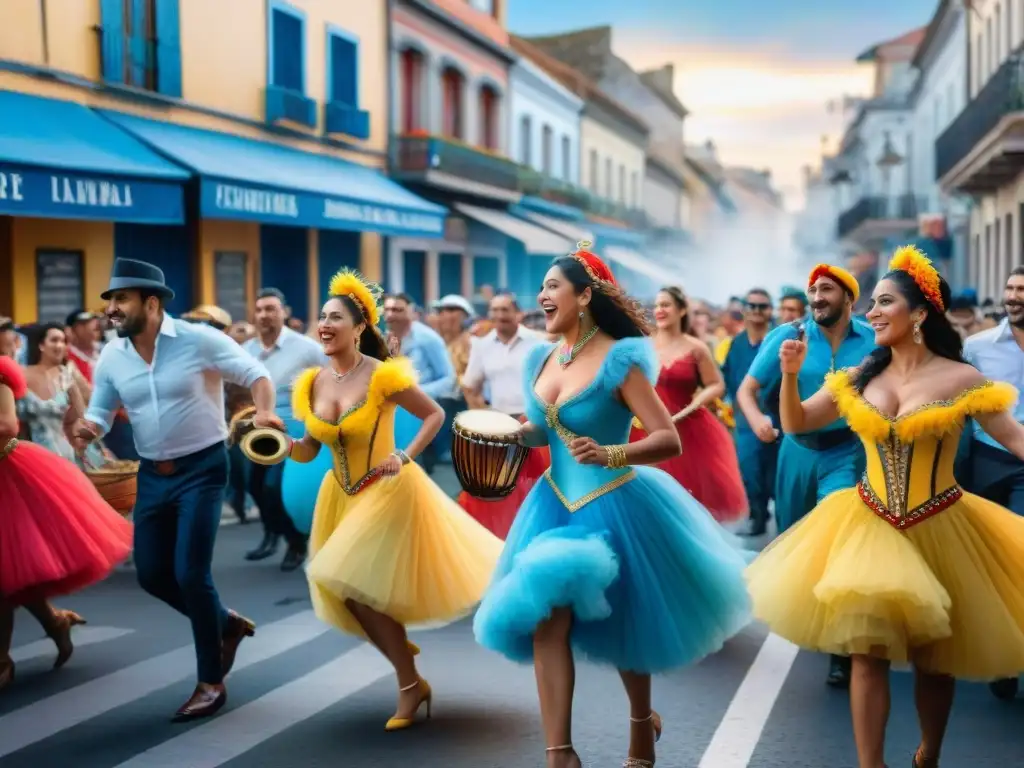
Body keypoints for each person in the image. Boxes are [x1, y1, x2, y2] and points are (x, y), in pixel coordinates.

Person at [473, 246, 752, 768]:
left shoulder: (622, 360)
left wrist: (611, 452)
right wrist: (511, 434)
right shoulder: (542, 357)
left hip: (614, 502)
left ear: (583, 296)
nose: (542, 296)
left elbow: (668, 439)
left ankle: (641, 723)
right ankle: (560, 754)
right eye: (543, 286)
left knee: (629, 621)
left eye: (553, 286)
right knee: (547, 622)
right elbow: (545, 430)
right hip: (553, 504)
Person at [746, 246, 1024, 768]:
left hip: (942, 523)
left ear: (918, 314)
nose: (871, 312)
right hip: (869, 523)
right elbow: (800, 421)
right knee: (865, 656)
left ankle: (929, 755)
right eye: (870, 304)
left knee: (934, 660)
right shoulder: (859, 377)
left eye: (883, 302)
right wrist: (788, 375)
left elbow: (1015, 438)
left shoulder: (963, 380)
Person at [285, 269, 502, 730]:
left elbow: (435, 414)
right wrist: (278, 445)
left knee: (353, 590)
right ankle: (400, 650)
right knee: (347, 594)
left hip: (385, 492)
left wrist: (404, 456)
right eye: (321, 317)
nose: (324, 324)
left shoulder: (383, 376)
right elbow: (307, 451)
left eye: (335, 317)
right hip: (339, 497)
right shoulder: (312, 383)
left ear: (360, 327)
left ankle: (409, 683)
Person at [71, 258, 280, 723]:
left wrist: (264, 412)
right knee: (151, 573)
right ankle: (224, 623)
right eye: (110, 301)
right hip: (151, 474)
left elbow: (256, 375)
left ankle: (211, 682)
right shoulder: (112, 354)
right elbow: (103, 408)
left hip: (203, 469)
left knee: (190, 573)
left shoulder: (198, 339)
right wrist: (88, 427)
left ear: (150, 302)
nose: (113, 310)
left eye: (120, 299)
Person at [738, 265, 876, 688]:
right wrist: (759, 419)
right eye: (813, 290)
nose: (816, 297)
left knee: (839, 542)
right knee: (798, 542)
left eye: (827, 290)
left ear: (849, 298)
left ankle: (841, 650)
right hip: (797, 452)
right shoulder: (789, 336)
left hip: (849, 451)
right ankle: (811, 618)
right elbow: (747, 389)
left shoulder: (872, 340)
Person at [0, 354, 133, 691]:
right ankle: (56, 621)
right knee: (13, 573)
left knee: (6, 575)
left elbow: (7, 426)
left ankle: (2, 660)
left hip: (10, 475)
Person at [959, 266, 1024, 701]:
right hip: (988, 462)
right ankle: (1004, 654)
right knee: (994, 561)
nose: (1014, 296)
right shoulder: (978, 348)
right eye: (1011, 288)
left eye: (1022, 290)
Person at [629, 286, 747, 522]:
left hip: (687, 426)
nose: (659, 310)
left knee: (688, 499)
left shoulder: (696, 348)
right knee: (646, 494)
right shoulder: (642, 346)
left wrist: (697, 402)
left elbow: (716, 384)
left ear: (682, 310)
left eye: (666, 305)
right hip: (646, 426)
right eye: (657, 305)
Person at [242, 288, 324, 570]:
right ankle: (271, 533)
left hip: (295, 431)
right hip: (258, 432)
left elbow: (331, 380)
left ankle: (296, 542)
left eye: (271, 309)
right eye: (260, 310)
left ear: (284, 313)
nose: (265, 315)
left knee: (274, 489)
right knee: (252, 486)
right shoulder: (247, 350)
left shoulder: (306, 348)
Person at [458, 291, 546, 538]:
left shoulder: (538, 343)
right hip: (498, 429)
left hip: (532, 424)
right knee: (495, 488)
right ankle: (496, 539)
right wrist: (482, 418)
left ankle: (529, 536)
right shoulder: (482, 345)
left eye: (505, 310)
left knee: (532, 487)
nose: (499, 316)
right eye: (494, 310)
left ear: (517, 313)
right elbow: (469, 385)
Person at [722, 288, 777, 536]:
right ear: (744, 309)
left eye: (762, 306)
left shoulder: (778, 340)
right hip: (745, 419)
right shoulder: (737, 343)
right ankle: (756, 516)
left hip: (778, 417)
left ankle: (771, 512)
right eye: (751, 306)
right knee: (749, 468)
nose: (756, 311)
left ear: (770, 311)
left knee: (773, 471)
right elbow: (730, 378)